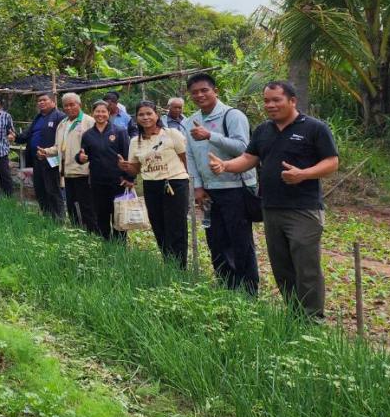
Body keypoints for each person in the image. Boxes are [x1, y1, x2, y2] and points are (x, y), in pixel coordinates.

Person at [209, 81, 339, 318]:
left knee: (306, 267)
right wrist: (225, 165)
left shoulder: (314, 128)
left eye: (276, 100)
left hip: (303, 209)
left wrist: (303, 174)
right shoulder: (263, 130)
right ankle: (294, 313)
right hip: (270, 208)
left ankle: (312, 319)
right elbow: (249, 158)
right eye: (266, 100)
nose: (270, 105)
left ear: (292, 101)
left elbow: (331, 162)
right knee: (281, 266)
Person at [185, 72, 260, 295]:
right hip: (209, 191)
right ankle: (226, 286)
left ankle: (248, 291)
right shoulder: (190, 121)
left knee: (240, 241)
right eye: (194, 92)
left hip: (236, 188)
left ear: (215, 91)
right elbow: (190, 156)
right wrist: (197, 187)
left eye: (204, 90)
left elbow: (245, 149)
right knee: (216, 240)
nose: (200, 95)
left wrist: (210, 136)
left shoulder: (232, 116)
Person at [119, 100, 190, 267]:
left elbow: (186, 159)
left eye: (149, 113)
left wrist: (193, 183)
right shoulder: (135, 141)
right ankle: (168, 263)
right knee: (158, 225)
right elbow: (135, 170)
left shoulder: (172, 134)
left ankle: (180, 267)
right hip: (151, 185)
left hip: (175, 183)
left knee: (176, 227)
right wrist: (125, 167)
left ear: (157, 115)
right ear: (136, 118)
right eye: (141, 115)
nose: (145, 117)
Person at [78, 101, 131, 240]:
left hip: (118, 181)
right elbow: (82, 155)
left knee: (118, 215)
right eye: (97, 111)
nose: (100, 114)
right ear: (92, 113)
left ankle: (120, 246)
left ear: (109, 113)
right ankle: (105, 243)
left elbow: (127, 156)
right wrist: (80, 158)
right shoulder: (88, 135)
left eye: (103, 111)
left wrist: (128, 178)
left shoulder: (119, 131)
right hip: (97, 181)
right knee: (101, 213)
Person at [51, 92, 95, 230]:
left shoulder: (88, 121)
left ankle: (92, 232)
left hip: (84, 172)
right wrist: (46, 151)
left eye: (72, 104)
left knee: (87, 205)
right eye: (66, 106)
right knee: (71, 205)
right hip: (67, 171)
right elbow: (58, 147)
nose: (69, 108)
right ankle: (76, 231)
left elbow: (97, 145)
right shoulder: (62, 124)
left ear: (79, 105)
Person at [24, 93, 65, 219]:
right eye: (39, 101)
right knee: (40, 189)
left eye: (44, 100)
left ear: (53, 102)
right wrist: (16, 137)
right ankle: (47, 217)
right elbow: (28, 134)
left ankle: (59, 218)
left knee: (52, 190)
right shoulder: (38, 117)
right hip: (37, 159)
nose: (41, 102)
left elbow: (63, 140)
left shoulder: (60, 117)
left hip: (52, 159)